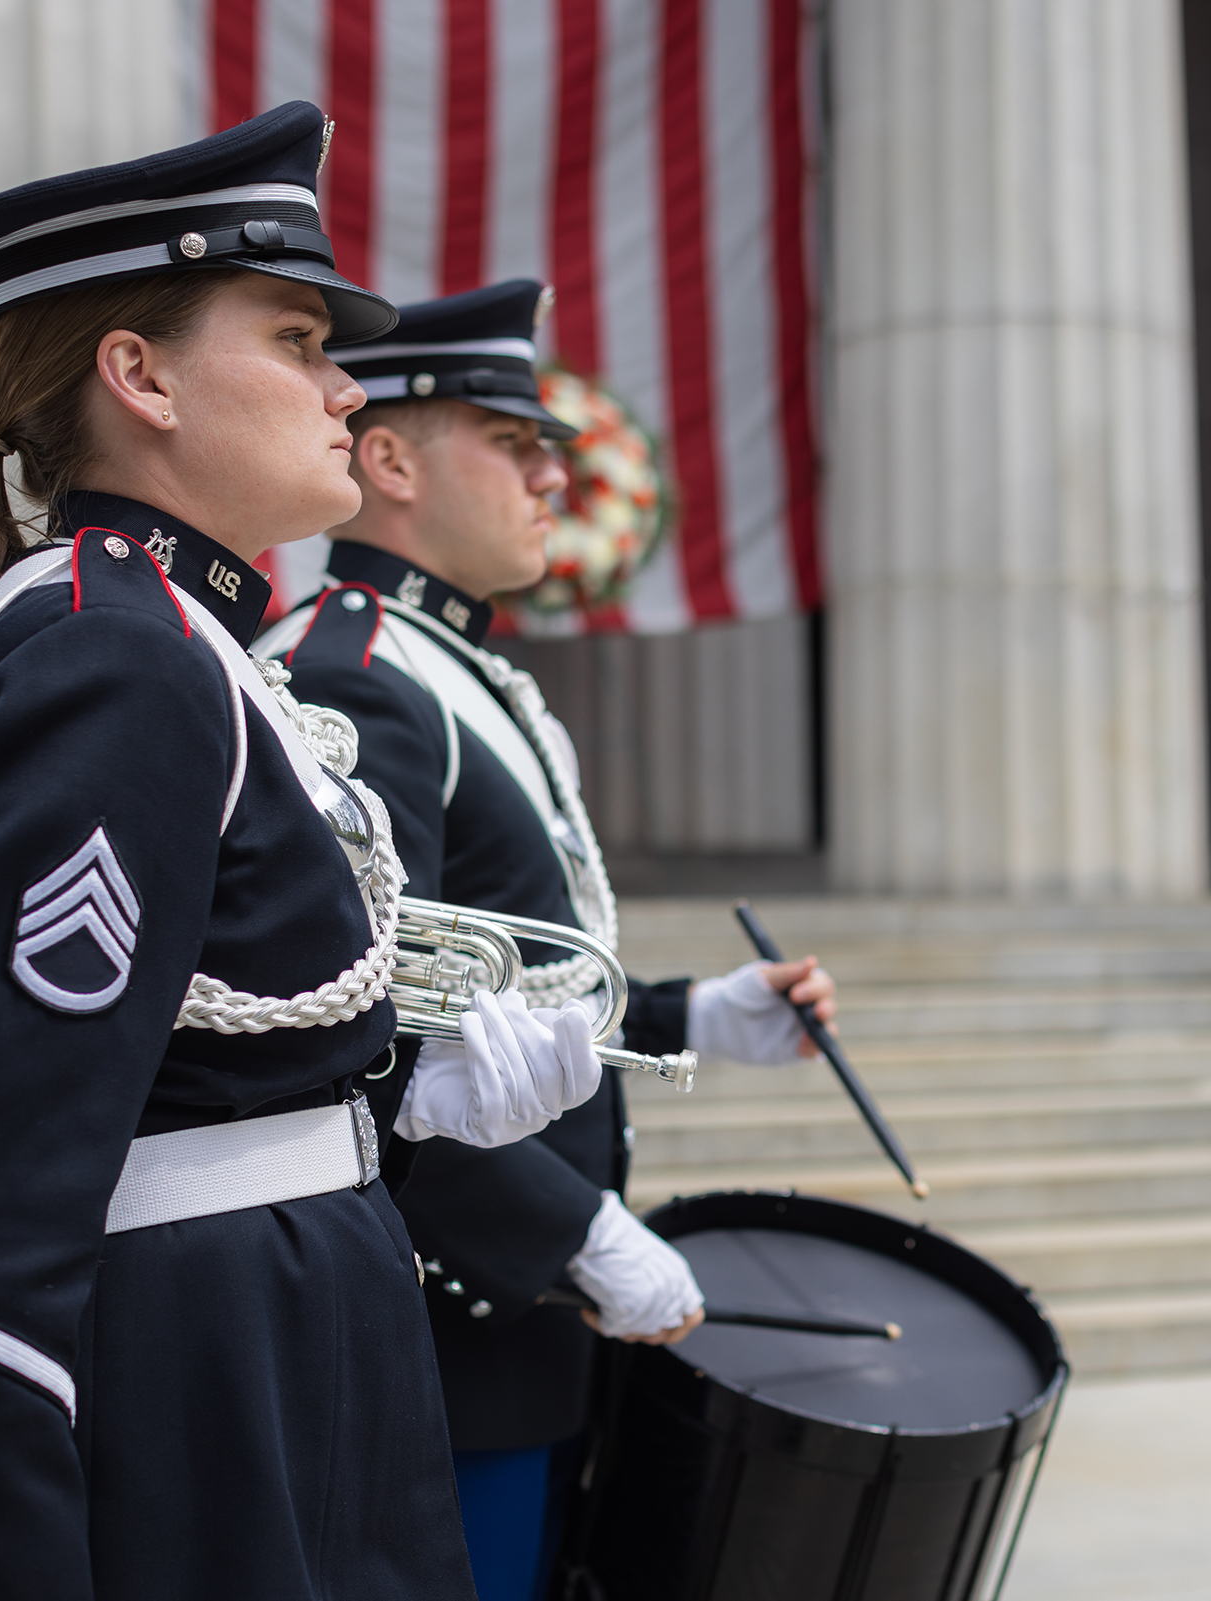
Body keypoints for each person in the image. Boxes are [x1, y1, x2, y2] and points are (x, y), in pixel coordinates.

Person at [0, 104, 608, 1601]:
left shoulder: (181, 640)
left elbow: (187, 1052)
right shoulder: (106, 658)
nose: (341, 386)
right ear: (141, 376)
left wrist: (400, 1097)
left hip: (267, 1359)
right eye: (298, 337)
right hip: (187, 1400)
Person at [255, 279, 839, 1600]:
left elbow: (497, 989)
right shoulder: (354, 676)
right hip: (447, 1320)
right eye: (511, 443)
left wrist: (695, 1015)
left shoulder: (462, 670)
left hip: (517, 1320)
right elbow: (359, 1043)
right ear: (390, 459)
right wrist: (574, 1228)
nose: (546, 475)